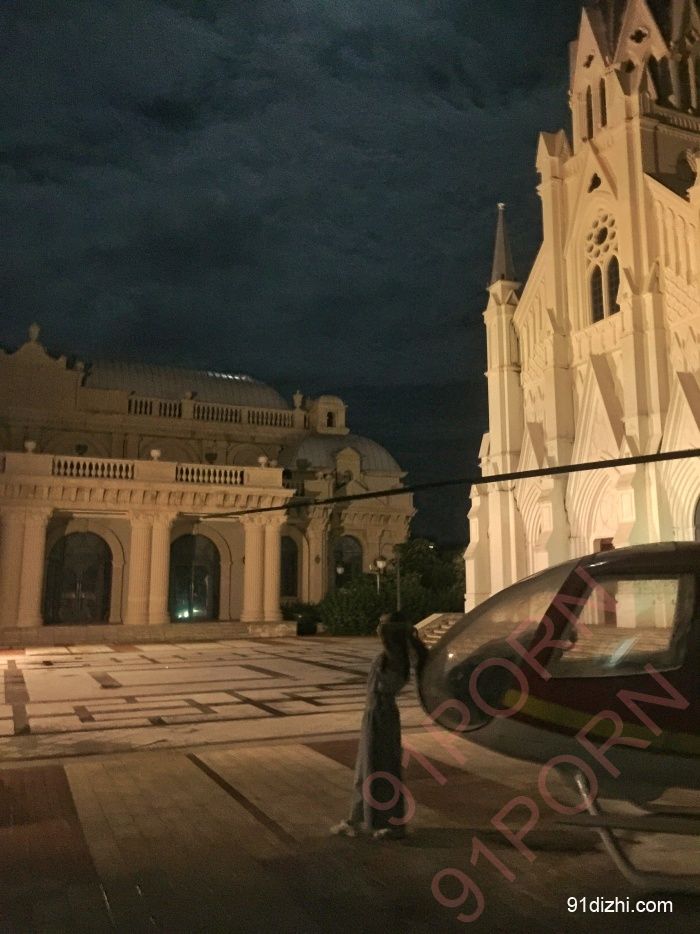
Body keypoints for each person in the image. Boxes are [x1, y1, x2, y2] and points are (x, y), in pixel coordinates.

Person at [331, 611, 427, 840]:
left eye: (382, 624)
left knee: (380, 767)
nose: (378, 628)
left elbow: (387, 686)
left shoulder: (395, 659)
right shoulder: (391, 657)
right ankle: (359, 818)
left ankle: (386, 822)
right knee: (367, 767)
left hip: (382, 715)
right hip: (375, 714)